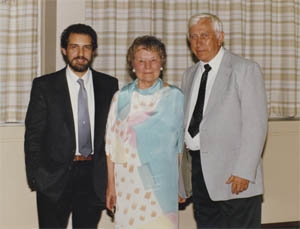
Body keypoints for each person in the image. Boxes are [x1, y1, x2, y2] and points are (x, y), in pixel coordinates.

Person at [24, 23, 118, 228]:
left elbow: (114, 136)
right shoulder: (45, 86)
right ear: (64, 50)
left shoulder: (109, 85)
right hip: (54, 178)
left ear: (94, 51)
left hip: (93, 176)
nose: (81, 53)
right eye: (74, 47)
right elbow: (33, 135)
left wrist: (111, 179)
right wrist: (37, 177)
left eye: (86, 47)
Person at [181, 13, 268, 228]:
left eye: (204, 35)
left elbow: (255, 125)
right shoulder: (189, 74)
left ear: (220, 37)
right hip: (199, 172)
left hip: (235, 175)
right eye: (193, 37)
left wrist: (244, 171)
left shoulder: (244, 69)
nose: (198, 42)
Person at [105, 35, 186, 228]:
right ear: (132, 65)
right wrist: (111, 185)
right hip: (129, 182)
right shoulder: (122, 97)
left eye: (153, 60)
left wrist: (180, 184)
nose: (147, 67)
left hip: (163, 184)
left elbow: (181, 147)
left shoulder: (175, 97)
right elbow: (112, 145)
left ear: (162, 63)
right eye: (141, 61)